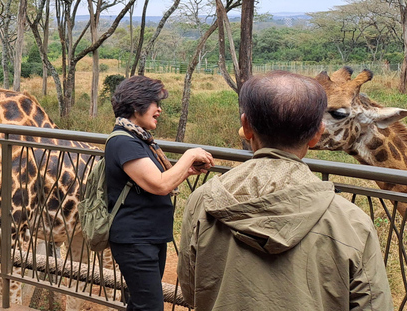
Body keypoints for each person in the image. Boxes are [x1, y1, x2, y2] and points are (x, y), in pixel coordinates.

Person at [177, 71, 393, 311]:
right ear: (316, 134)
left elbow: (190, 289)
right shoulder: (353, 222)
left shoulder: (202, 200)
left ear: (246, 126)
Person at [106, 75, 213, 311]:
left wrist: (186, 171)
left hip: (149, 236)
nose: (159, 109)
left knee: (140, 303)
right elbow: (159, 185)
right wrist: (189, 154)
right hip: (134, 239)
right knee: (151, 306)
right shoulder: (124, 142)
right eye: (155, 103)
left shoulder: (140, 139)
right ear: (137, 105)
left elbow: (155, 182)